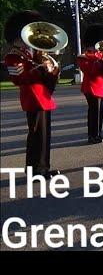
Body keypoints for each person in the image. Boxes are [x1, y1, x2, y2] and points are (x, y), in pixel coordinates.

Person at [3, 10, 61, 179]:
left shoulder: (35, 54)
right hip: (32, 97)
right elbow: (18, 78)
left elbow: (49, 74)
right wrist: (39, 69)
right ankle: (34, 170)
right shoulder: (13, 56)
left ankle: (43, 167)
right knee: (36, 135)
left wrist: (51, 69)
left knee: (44, 135)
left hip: (43, 97)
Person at [77, 23, 103, 144]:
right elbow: (90, 71)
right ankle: (92, 136)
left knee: (100, 111)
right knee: (94, 112)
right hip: (91, 87)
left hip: (101, 87)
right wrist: (100, 61)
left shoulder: (102, 55)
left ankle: (98, 133)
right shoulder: (84, 56)